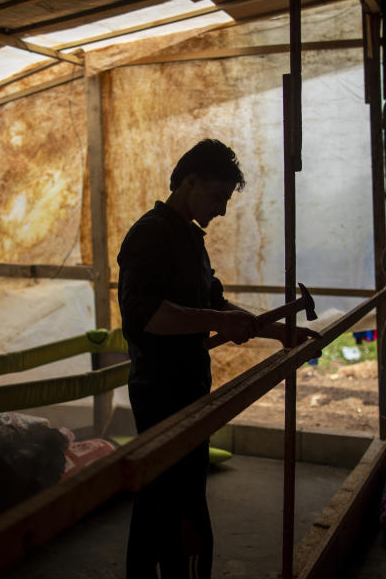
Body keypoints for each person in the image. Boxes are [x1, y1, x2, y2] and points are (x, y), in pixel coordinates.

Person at [117, 139, 317, 578]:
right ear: (190, 182)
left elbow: (217, 304)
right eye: (219, 197)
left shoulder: (189, 238)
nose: (223, 210)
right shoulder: (150, 234)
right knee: (165, 498)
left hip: (189, 386)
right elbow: (142, 315)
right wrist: (214, 319)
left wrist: (283, 333)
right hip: (160, 390)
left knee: (182, 494)